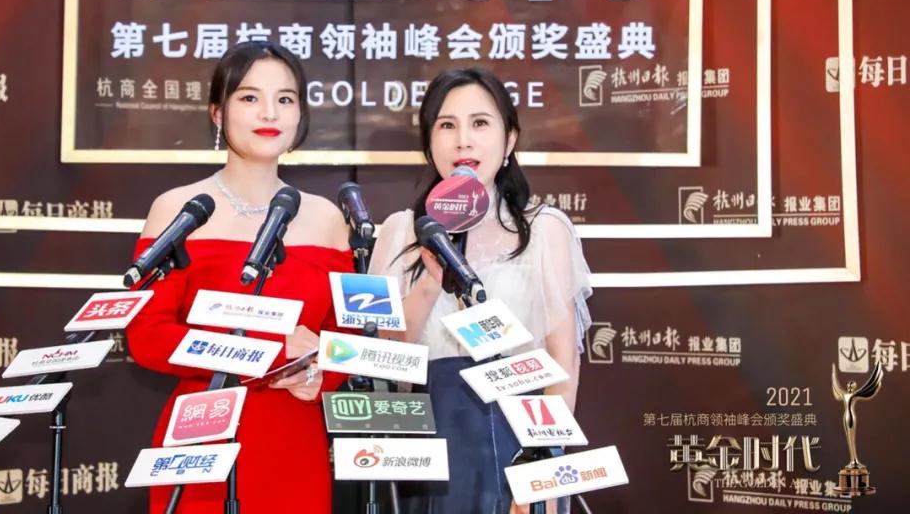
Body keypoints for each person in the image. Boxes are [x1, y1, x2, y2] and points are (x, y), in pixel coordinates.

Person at [126, 41, 352, 514]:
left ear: (300, 114)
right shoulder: (178, 210)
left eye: (285, 98)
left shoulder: (328, 218)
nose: (269, 112)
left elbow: (347, 338)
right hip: (202, 436)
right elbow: (147, 335)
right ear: (217, 112)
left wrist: (322, 372)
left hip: (294, 438)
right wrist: (265, 354)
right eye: (250, 97)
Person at [368, 67, 594, 514]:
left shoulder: (543, 230)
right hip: (425, 448)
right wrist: (431, 279)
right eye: (447, 125)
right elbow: (381, 359)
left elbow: (562, 366)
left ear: (509, 140)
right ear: (429, 142)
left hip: (517, 443)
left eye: (480, 123)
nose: (463, 141)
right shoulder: (398, 231)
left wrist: (540, 472)